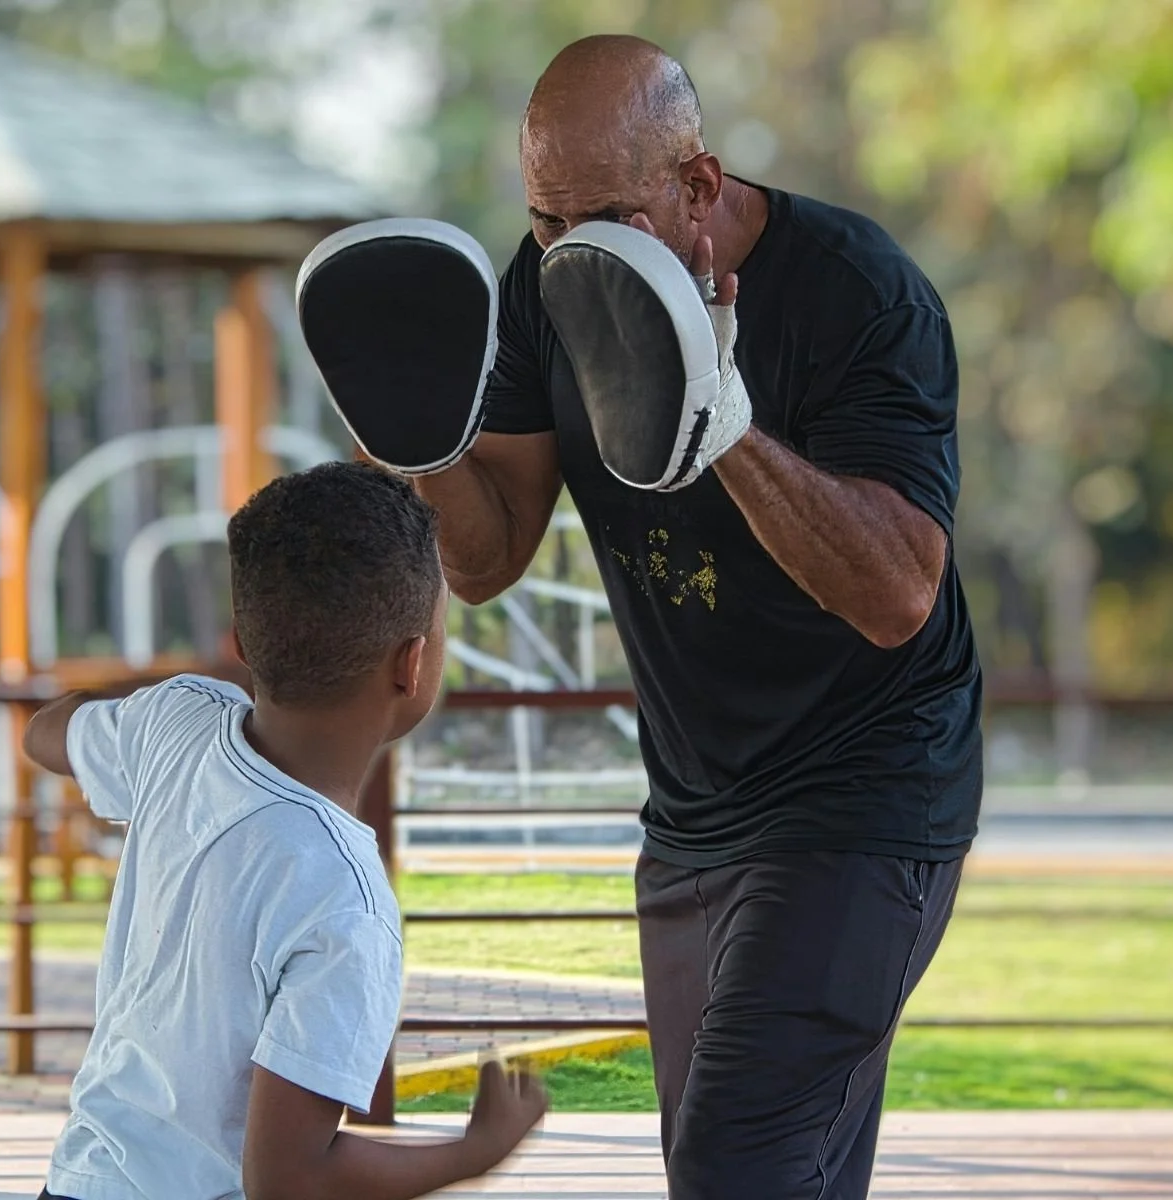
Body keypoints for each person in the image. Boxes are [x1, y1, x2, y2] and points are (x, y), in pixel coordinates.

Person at [302, 34, 982, 1200]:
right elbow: (488, 557)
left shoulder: (857, 293)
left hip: (861, 799)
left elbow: (896, 596)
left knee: (733, 1161)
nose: (569, 253)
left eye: (605, 220)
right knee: (759, 1169)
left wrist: (723, 424)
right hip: (690, 819)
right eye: (544, 222)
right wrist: (424, 448)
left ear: (698, 187)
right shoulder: (542, 280)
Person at [22, 461, 547, 1200]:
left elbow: (45, 732)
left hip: (78, 1184)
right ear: (414, 663)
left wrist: (156, 704)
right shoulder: (345, 902)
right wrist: (473, 1153)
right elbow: (289, 1178)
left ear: (241, 640)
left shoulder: (174, 726)